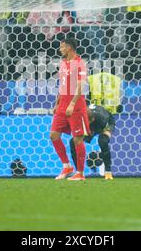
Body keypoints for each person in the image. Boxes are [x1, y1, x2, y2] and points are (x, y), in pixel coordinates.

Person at [50, 37, 90, 181]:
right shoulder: (63, 63)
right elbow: (62, 85)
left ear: (68, 47)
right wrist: (57, 103)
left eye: (62, 46)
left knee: (78, 139)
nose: (60, 49)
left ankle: (80, 173)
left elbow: (81, 86)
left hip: (76, 105)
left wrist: (72, 104)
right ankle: (67, 166)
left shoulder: (80, 63)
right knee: (54, 135)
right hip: (62, 104)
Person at [69, 104, 115, 180]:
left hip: (108, 122)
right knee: (73, 142)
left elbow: (104, 126)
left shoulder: (102, 117)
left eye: (87, 122)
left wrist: (90, 132)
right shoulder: (80, 115)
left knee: (103, 141)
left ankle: (108, 172)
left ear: (92, 119)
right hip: (92, 123)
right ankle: (79, 173)